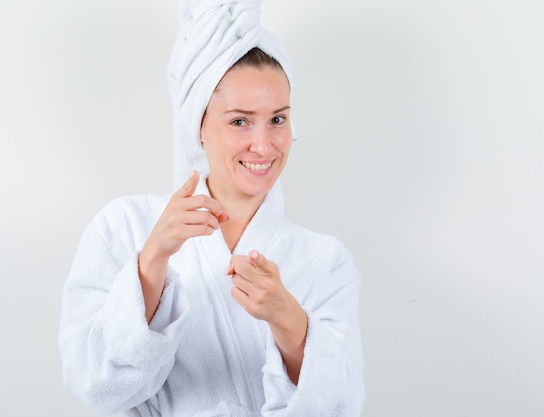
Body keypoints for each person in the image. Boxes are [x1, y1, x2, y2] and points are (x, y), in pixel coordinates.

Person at [59, 1, 365, 416]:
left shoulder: (326, 261)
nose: (264, 144)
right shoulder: (122, 228)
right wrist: (152, 262)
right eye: (240, 121)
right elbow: (97, 387)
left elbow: (341, 408)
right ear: (198, 126)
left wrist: (289, 319)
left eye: (278, 119)